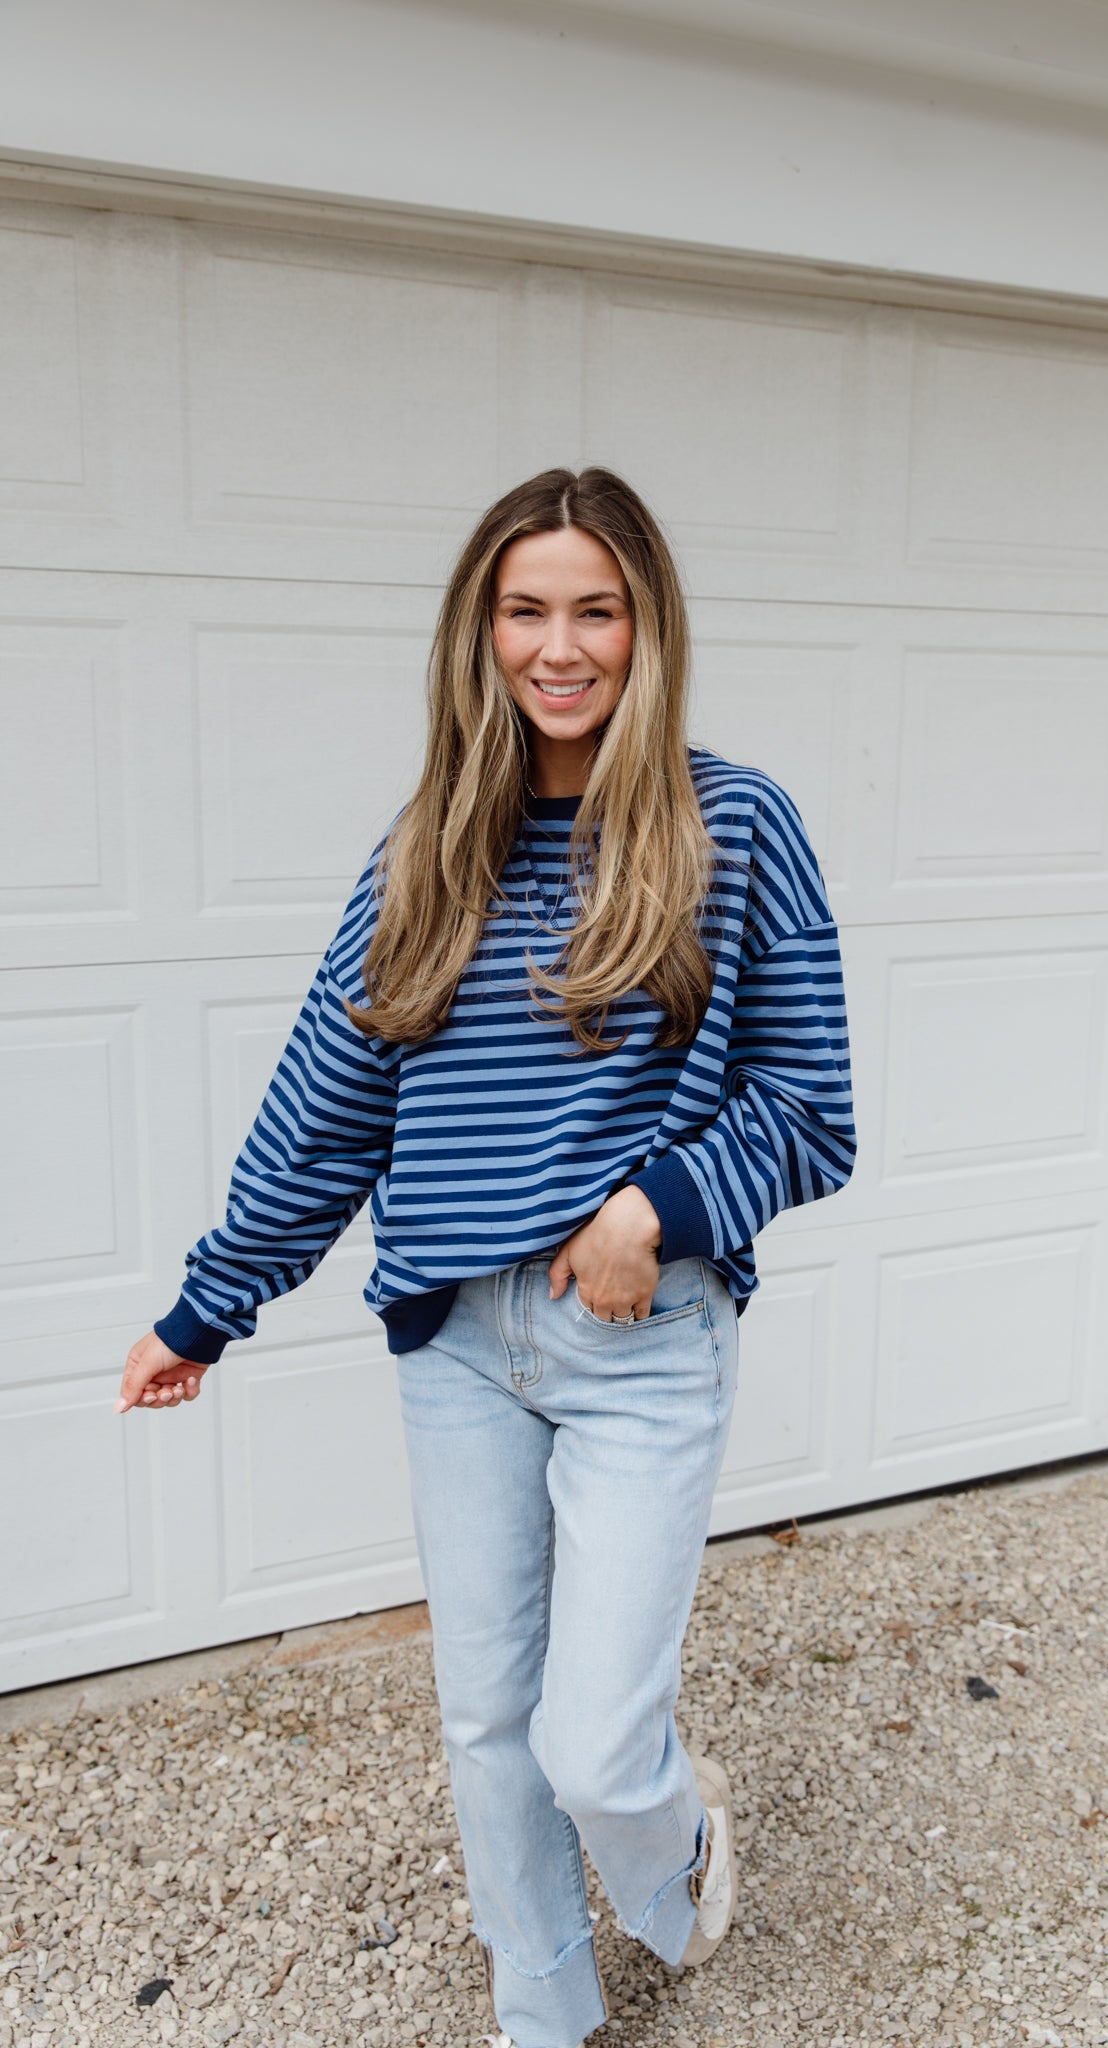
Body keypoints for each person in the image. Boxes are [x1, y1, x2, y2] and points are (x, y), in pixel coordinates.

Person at [114, 467, 856, 2048]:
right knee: (486, 1719)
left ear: (646, 626)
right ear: (482, 629)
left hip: (642, 1337)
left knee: (594, 1744)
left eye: (596, 607)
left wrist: (650, 1207)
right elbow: (327, 1098)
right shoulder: (429, 846)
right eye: (527, 609)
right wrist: (209, 1304)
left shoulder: (737, 823)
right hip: (457, 1343)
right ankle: (546, 2009)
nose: (560, 644)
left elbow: (812, 1107)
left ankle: (676, 1862)